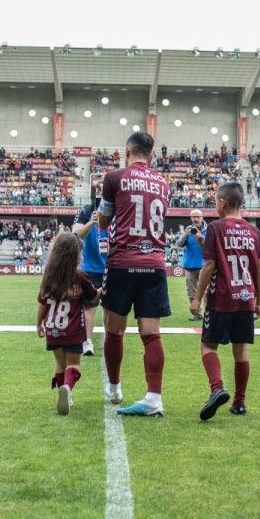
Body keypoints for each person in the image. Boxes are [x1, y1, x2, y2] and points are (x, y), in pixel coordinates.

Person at [97, 131, 172, 416]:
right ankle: (154, 397)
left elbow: (104, 221)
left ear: (127, 150)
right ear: (151, 155)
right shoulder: (164, 183)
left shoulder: (114, 177)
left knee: (114, 330)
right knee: (151, 334)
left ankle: (114, 387)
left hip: (122, 261)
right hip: (154, 262)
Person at [190, 181, 260, 421]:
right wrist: (258, 302)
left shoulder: (215, 228)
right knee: (241, 350)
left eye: (215, 201)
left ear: (222, 202)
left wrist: (197, 298)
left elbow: (210, 265)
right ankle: (240, 403)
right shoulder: (254, 231)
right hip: (246, 298)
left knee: (208, 346)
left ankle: (216, 388)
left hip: (221, 298)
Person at [36, 232, 98, 416]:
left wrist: (38, 324)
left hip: (53, 329)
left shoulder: (49, 276)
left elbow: (42, 302)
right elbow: (93, 296)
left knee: (59, 363)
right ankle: (67, 389)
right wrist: (103, 290)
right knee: (74, 366)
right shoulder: (79, 276)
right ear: (75, 254)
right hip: (72, 330)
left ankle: (64, 394)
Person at [71, 189, 109, 357]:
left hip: (113, 266)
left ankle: (111, 341)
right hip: (90, 268)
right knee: (89, 307)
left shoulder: (118, 209)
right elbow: (76, 232)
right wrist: (92, 222)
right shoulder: (86, 211)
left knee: (111, 308)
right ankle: (86, 341)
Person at [175, 209, 207, 320]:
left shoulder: (209, 229)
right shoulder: (188, 230)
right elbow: (178, 244)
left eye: (198, 216)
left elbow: (210, 247)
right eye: (193, 217)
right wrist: (185, 234)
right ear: (190, 218)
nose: (196, 219)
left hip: (205, 266)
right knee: (192, 292)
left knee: (207, 292)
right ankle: (197, 314)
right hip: (190, 265)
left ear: (202, 217)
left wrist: (200, 237)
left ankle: (208, 315)